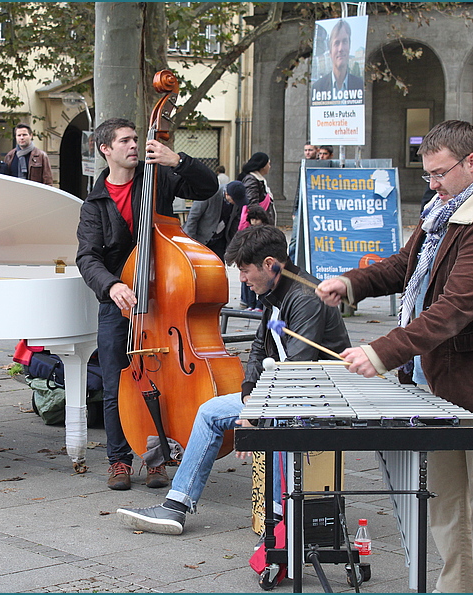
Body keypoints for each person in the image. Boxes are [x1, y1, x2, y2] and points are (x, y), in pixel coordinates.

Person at [316, 120, 473, 593]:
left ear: (472, 163)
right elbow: (407, 264)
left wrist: (380, 352)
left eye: (438, 174)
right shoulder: (445, 208)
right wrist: (354, 282)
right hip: (444, 387)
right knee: (448, 508)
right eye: (427, 176)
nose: (432, 184)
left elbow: (453, 309)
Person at [116, 224, 350, 534]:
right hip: (283, 393)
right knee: (210, 411)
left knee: (279, 424)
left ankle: (279, 525)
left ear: (269, 265)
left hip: (317, 397)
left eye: (244, 270)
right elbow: (257, 349)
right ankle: (176, 506)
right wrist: (249, 395)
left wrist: (257, 414)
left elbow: (297, 369)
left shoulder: (305, 297)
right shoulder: (275, 291)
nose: (241, 279)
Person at [76, 117, 219, 491]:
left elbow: (208, 187)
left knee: (162, 379)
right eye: (125, 141)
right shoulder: (94, 203)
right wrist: (111, 287)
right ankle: (119, 460)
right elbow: (87, 258)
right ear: (105, 149)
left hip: (165, 297)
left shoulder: (158, 179)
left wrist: (178, 161)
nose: (134, 145)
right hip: (119, 302)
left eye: (136, 139)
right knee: (116, 381)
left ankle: (158, 456)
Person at [183, 180, 247, 260]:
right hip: (201, 239)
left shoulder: (236, 202)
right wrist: (191, 242)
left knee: (219, 267)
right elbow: (193, 218)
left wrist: (232, 244)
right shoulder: (210, 194)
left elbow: (234, 221)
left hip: (220, 241)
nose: (236, 203)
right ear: (227, 194)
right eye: (234, 200)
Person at [310, 19, 365, 104]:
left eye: (345, 42)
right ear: (330, 51)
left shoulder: (360, 85)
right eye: (336, 43)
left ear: (349, 46)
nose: (340, 49)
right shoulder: (318, 88)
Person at [289, 143, 319, 261]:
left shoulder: (319, 166)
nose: (307, 152)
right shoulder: (302, 166)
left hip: (314, 205)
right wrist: (295, 209)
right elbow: (299, 189)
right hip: (300, 207)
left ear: (316, 150)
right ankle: (290, 263)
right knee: (294, 239)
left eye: (310, 150)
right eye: (305, 150)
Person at [237, 151, 275, 226]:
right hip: (257, 227)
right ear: (263, 166)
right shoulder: (251, 180)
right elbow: (252, 203)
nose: (269, 167)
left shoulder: (259, 180)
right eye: (268, 164)